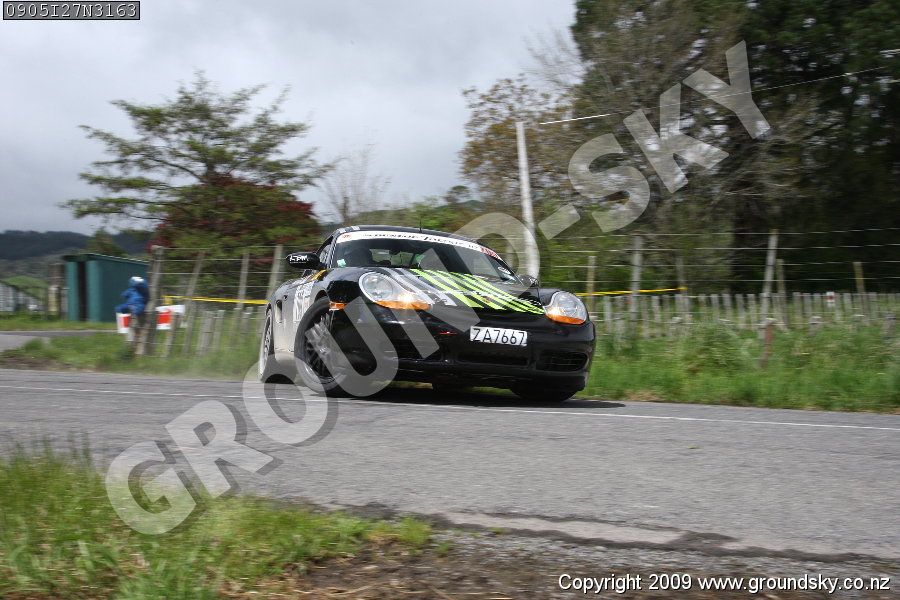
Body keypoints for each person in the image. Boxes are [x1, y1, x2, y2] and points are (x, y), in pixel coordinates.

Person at [115, 276, 149, 341]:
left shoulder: (144, 290)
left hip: (139, 304)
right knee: (123, 307)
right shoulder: (133, 290)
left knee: (139, 308)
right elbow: (126, 294)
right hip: (130, 304)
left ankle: (135, 310)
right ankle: (124, 308)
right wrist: (125, 295)